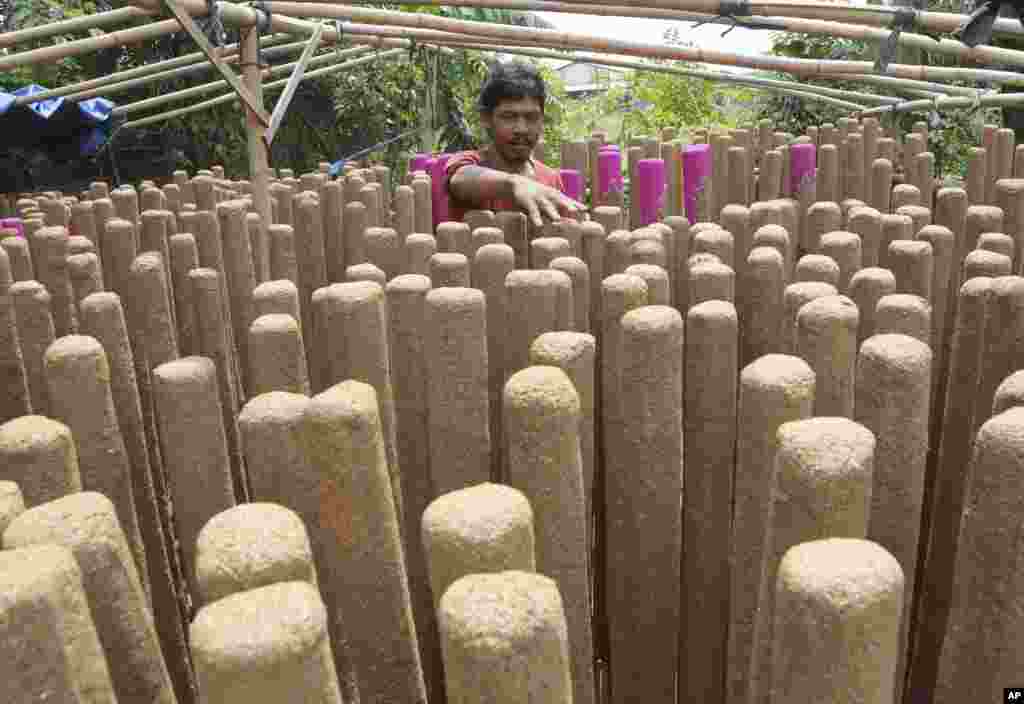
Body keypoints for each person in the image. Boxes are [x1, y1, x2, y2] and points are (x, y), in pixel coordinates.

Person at [445, 60, 584, 228]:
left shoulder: (550, 179)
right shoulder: (469, 163)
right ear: (486, 119)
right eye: (509, 117)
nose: (522, 129)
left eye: (531, 117)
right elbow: (460, 179)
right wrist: (514, 183)